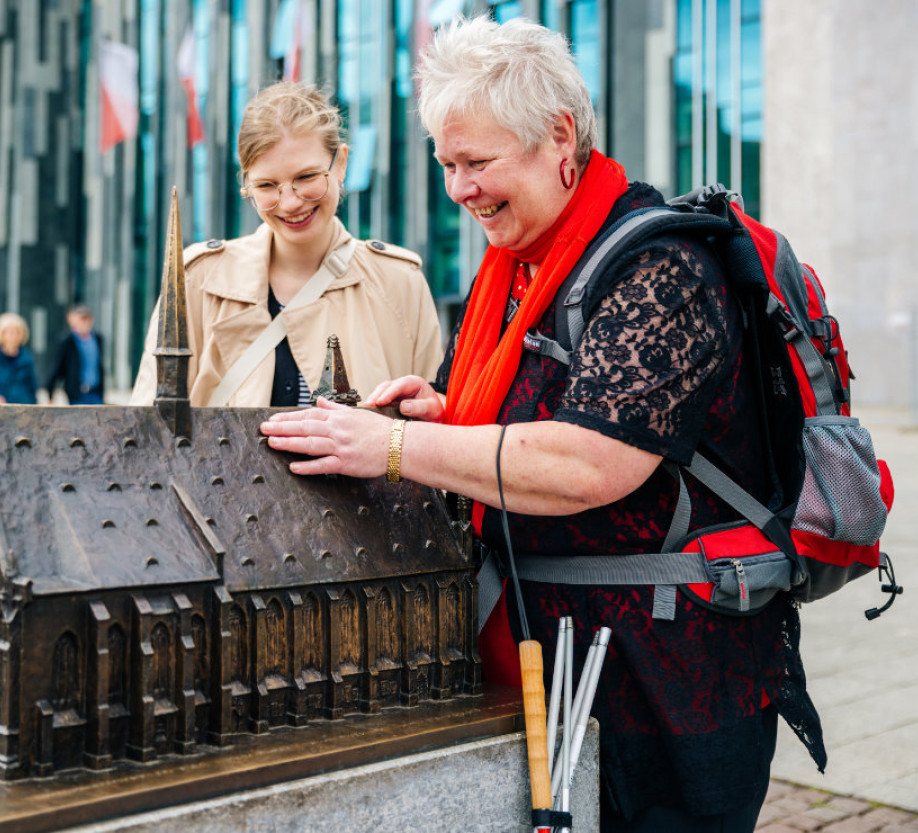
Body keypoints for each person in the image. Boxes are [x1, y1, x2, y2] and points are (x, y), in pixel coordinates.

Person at [259, 17, 824, 832]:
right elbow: (527, 411)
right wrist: (444, 412)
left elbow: (591, 459)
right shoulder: (516, 265)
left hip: (663, 690)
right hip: (551, 669)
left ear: (559, 136)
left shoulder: (659, 269)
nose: (459, 188)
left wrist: (393, 445)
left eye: (478, 162)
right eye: (446, 164)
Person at [130, 81, 443, 408]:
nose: (290, 202)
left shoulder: (400, 283)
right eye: (267, 185)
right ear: (247, 186)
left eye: (306, 177)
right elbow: (149, 433)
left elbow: (425, 437)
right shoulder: (197, 278)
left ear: (341, 164)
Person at [47, 304, 106, 405]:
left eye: (87, 319)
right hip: (77, 393)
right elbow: (57, 367)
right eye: (82, 320)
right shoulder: (67, 341)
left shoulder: (97, 339)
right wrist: (51, 393)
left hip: (95, 392)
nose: (85, 323)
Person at [0, 312, 39, 404]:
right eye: (10, 333)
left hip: (24, 407)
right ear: (2, 334)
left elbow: (32, 387)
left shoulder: (26, 357)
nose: (14, 337)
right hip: (2, 409)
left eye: (17, 332)